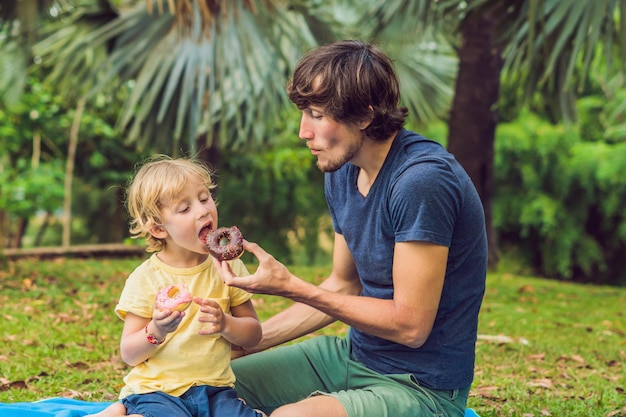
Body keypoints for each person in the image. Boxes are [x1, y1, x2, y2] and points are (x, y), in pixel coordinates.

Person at [214, 39, 488, 417]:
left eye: (316, 114)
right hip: (353, 357)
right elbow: (343, 284)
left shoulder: (421, 181)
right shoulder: (342, 170)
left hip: (422, 386)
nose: (303, 132)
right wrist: (242, 345)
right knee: (208, 383)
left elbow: (411, 326)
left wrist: (293, 287)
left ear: (364, 116)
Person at [87, 155, 265, 417]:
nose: (203, 210)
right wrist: (156, 329)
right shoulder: (145, 278)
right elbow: (129, 354)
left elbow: (253, 335)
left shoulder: (228, 266)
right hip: (157, 392)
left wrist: (226, 324)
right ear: (159, 229)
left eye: (204, 198)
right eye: (185, 209)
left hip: (214, 390)